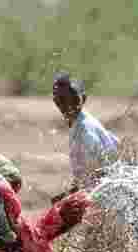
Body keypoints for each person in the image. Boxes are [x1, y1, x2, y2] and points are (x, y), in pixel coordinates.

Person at [51, 72, 120, 202]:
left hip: (108, 196)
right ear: (55, 100)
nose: (68, 105)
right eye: (62, 100)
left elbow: (99, 178)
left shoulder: (85, 131)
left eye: (73, 99)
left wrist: (67, 197)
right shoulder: (80, 122)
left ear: (84, 98)